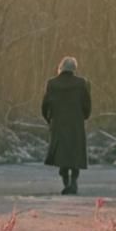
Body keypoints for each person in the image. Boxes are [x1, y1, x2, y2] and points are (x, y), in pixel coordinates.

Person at [42, 56, 91, 194]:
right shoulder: (82, 83)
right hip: (76, 124)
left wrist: (49, 119)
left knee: (62, 154)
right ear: (74, 69)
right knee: (75, 154)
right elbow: (87, 105)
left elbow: (45, 106)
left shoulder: (52, 84)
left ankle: (65, 181)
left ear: (61, 68)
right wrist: (83, 117)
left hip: (58, 123)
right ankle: (73, 181)